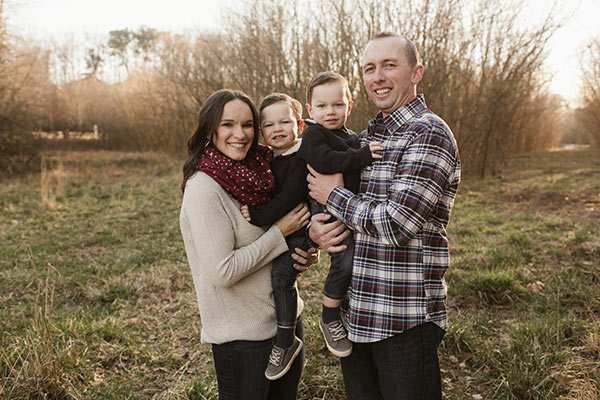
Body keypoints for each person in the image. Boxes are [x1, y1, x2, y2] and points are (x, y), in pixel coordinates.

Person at [307, 33, 462, 400]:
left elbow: (397, 223)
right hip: (356, 315)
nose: (378, 77)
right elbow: (329, 202)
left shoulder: (427, 133)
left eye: (390, 65)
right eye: (369, 69)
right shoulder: (364, 138)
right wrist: (317, 228)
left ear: (415, 72)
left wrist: (333, 196)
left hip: (403, 320)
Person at [179, 89, 316, 400]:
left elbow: (270, 248)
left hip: (286, 323)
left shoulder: (258, 174)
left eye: (248, 125)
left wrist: (300, 251)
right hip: (243, 338)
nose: (239, 135)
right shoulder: (204, 189)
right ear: (210, 129)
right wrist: (280, 234)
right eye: (228, 125)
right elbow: (223, 272)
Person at [297, 71, 383, 358]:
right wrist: (362, 155)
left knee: (357, 260)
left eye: (337, 105)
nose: (330, 112)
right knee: (344, 260)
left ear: (350, 105)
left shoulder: (351, 136)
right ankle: (329, 315)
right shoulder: (313, 134)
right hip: (327, 209)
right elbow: (324, 160)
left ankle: (345, 306)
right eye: (321, 106)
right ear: (310, 110)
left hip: (350, 206)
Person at [239, 93, 309, 380]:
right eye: (269, 125)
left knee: (281, 279)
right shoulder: (269, 157)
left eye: (284, 122)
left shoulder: (301, 157)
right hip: (284, 230)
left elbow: (289, 199)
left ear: (300, 126)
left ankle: (286, 340)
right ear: (261, 132)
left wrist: (258, 216)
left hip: (301, 229)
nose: (277, 129)